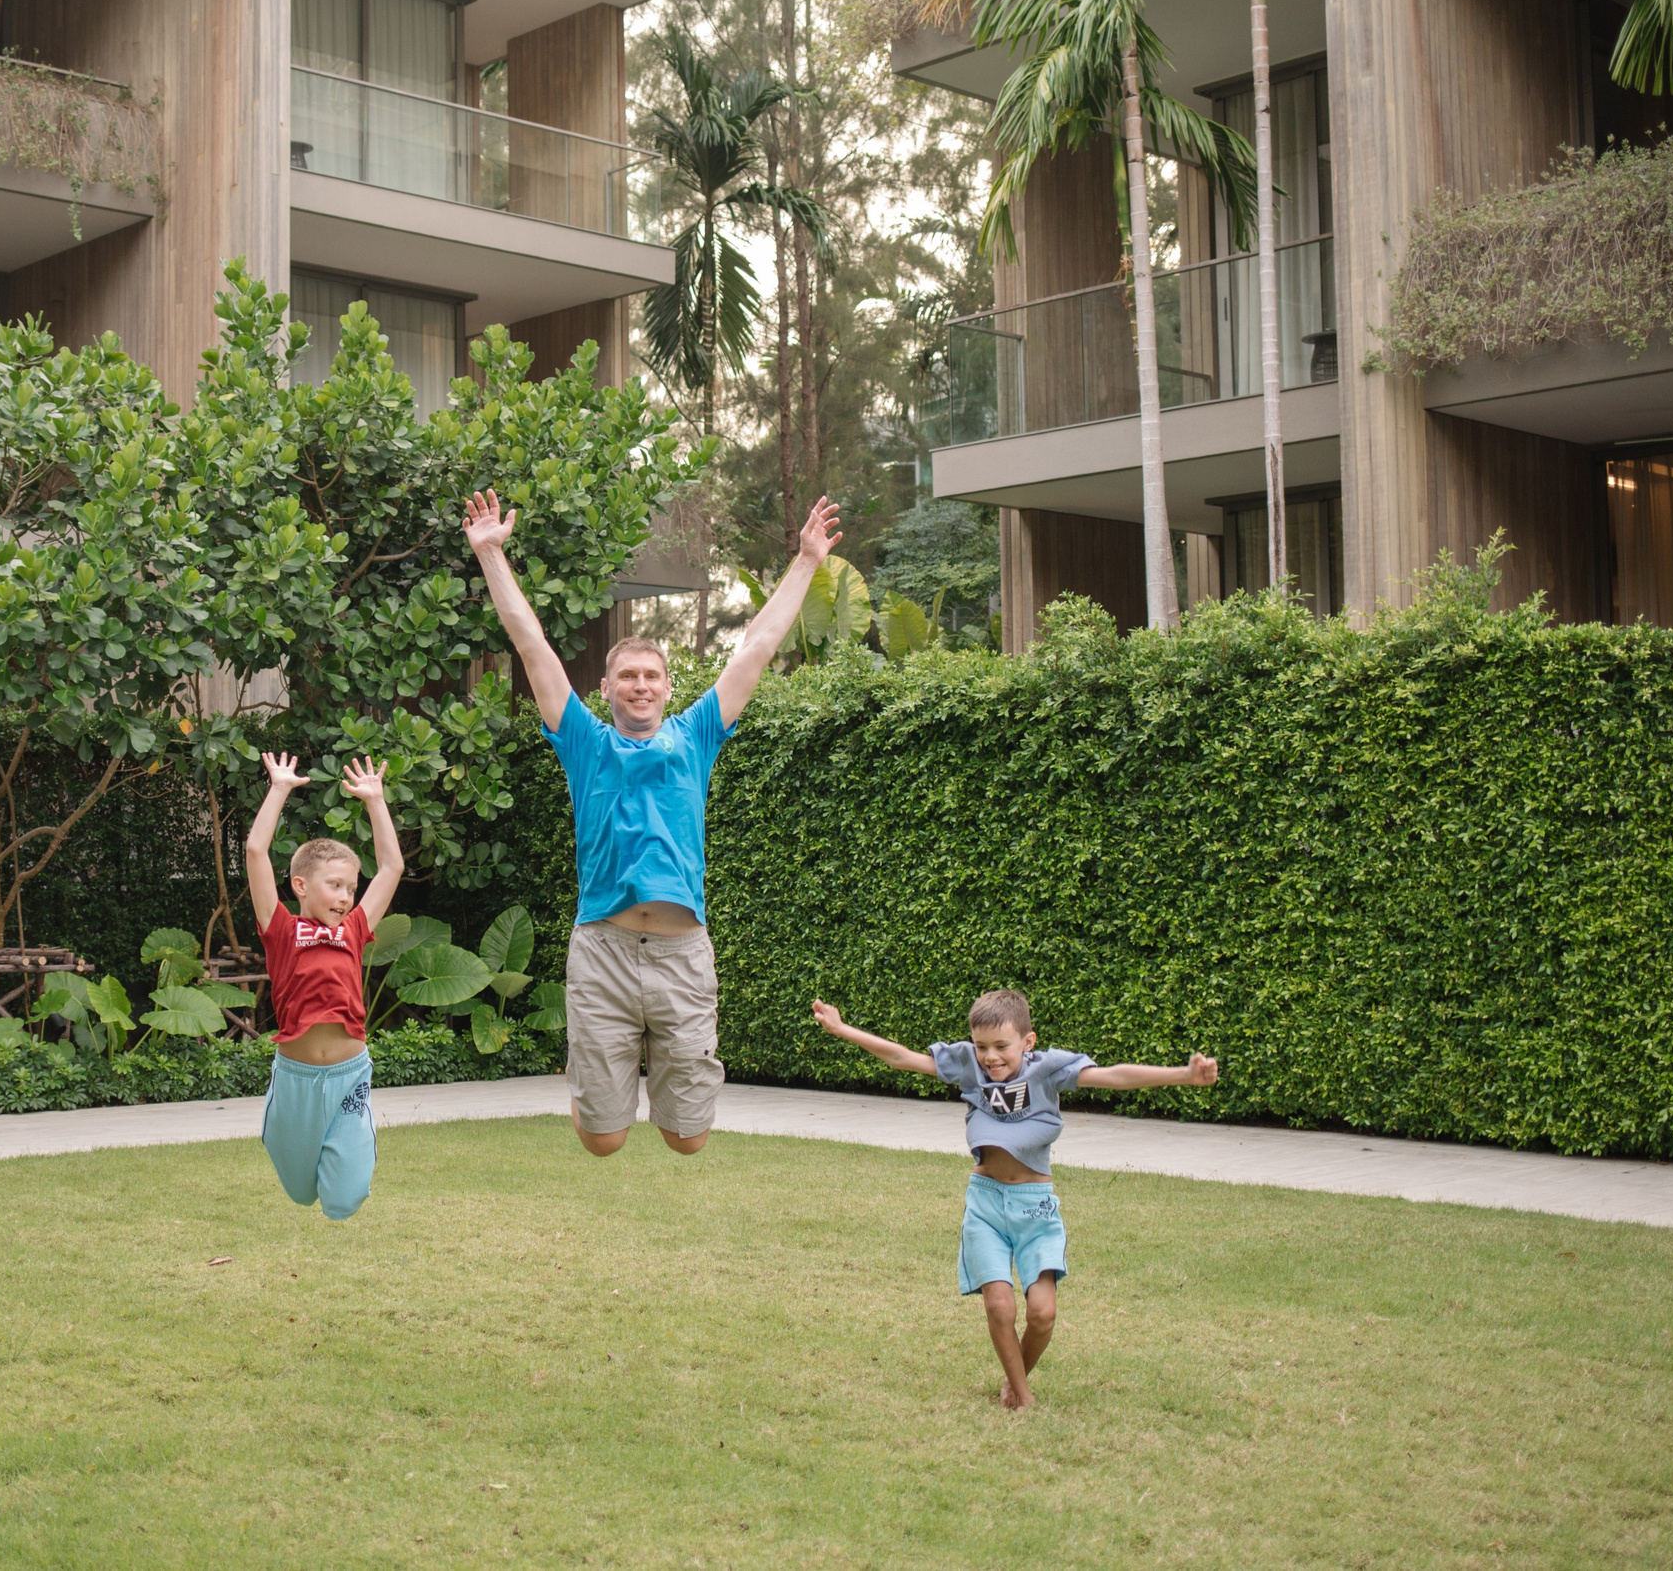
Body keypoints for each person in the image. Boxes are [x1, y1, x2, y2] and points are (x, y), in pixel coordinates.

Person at [462, 485, 842, 1157]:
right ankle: (595, 1091)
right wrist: (492, 554)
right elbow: (531, 645)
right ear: (605, 691)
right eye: (627, 676)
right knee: (604, 1141)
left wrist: (807, 560)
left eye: (652, 675)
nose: (641, 684)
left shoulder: (697, 734)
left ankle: (629, 1081)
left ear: (669, 687)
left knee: (685, 1140)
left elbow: (755, 647)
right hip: (603, 951)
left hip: (681, 955)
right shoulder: (584, 741)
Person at [810, 990, 1219, 1410]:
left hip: (1035, 1206)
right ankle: (1021, 1396)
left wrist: (1182, 1075)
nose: (990, 1057)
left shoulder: (1048, 1071)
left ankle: (1015, 1377)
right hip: (985, 1203)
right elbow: (903, 1058)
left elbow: (1113, 1076)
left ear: (1028, 1042)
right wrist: (842, 1029)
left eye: (1001, 1046)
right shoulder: (970, 1066)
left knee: (1042, 1315)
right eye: (981, 1046)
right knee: (1000, 1305)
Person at [244, 749, 404, 1220]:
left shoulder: (353, 930)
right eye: (334, 885)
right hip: (294, 1080)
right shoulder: (279, 929)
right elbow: (256, 852)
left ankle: (352, 1155)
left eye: (351, 888)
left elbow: (391, 868)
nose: (345, 896)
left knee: (343, 1201)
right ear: (299, 885)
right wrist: (279, 789)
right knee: (299, 1192)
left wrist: (375, 800)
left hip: (349, 1075)